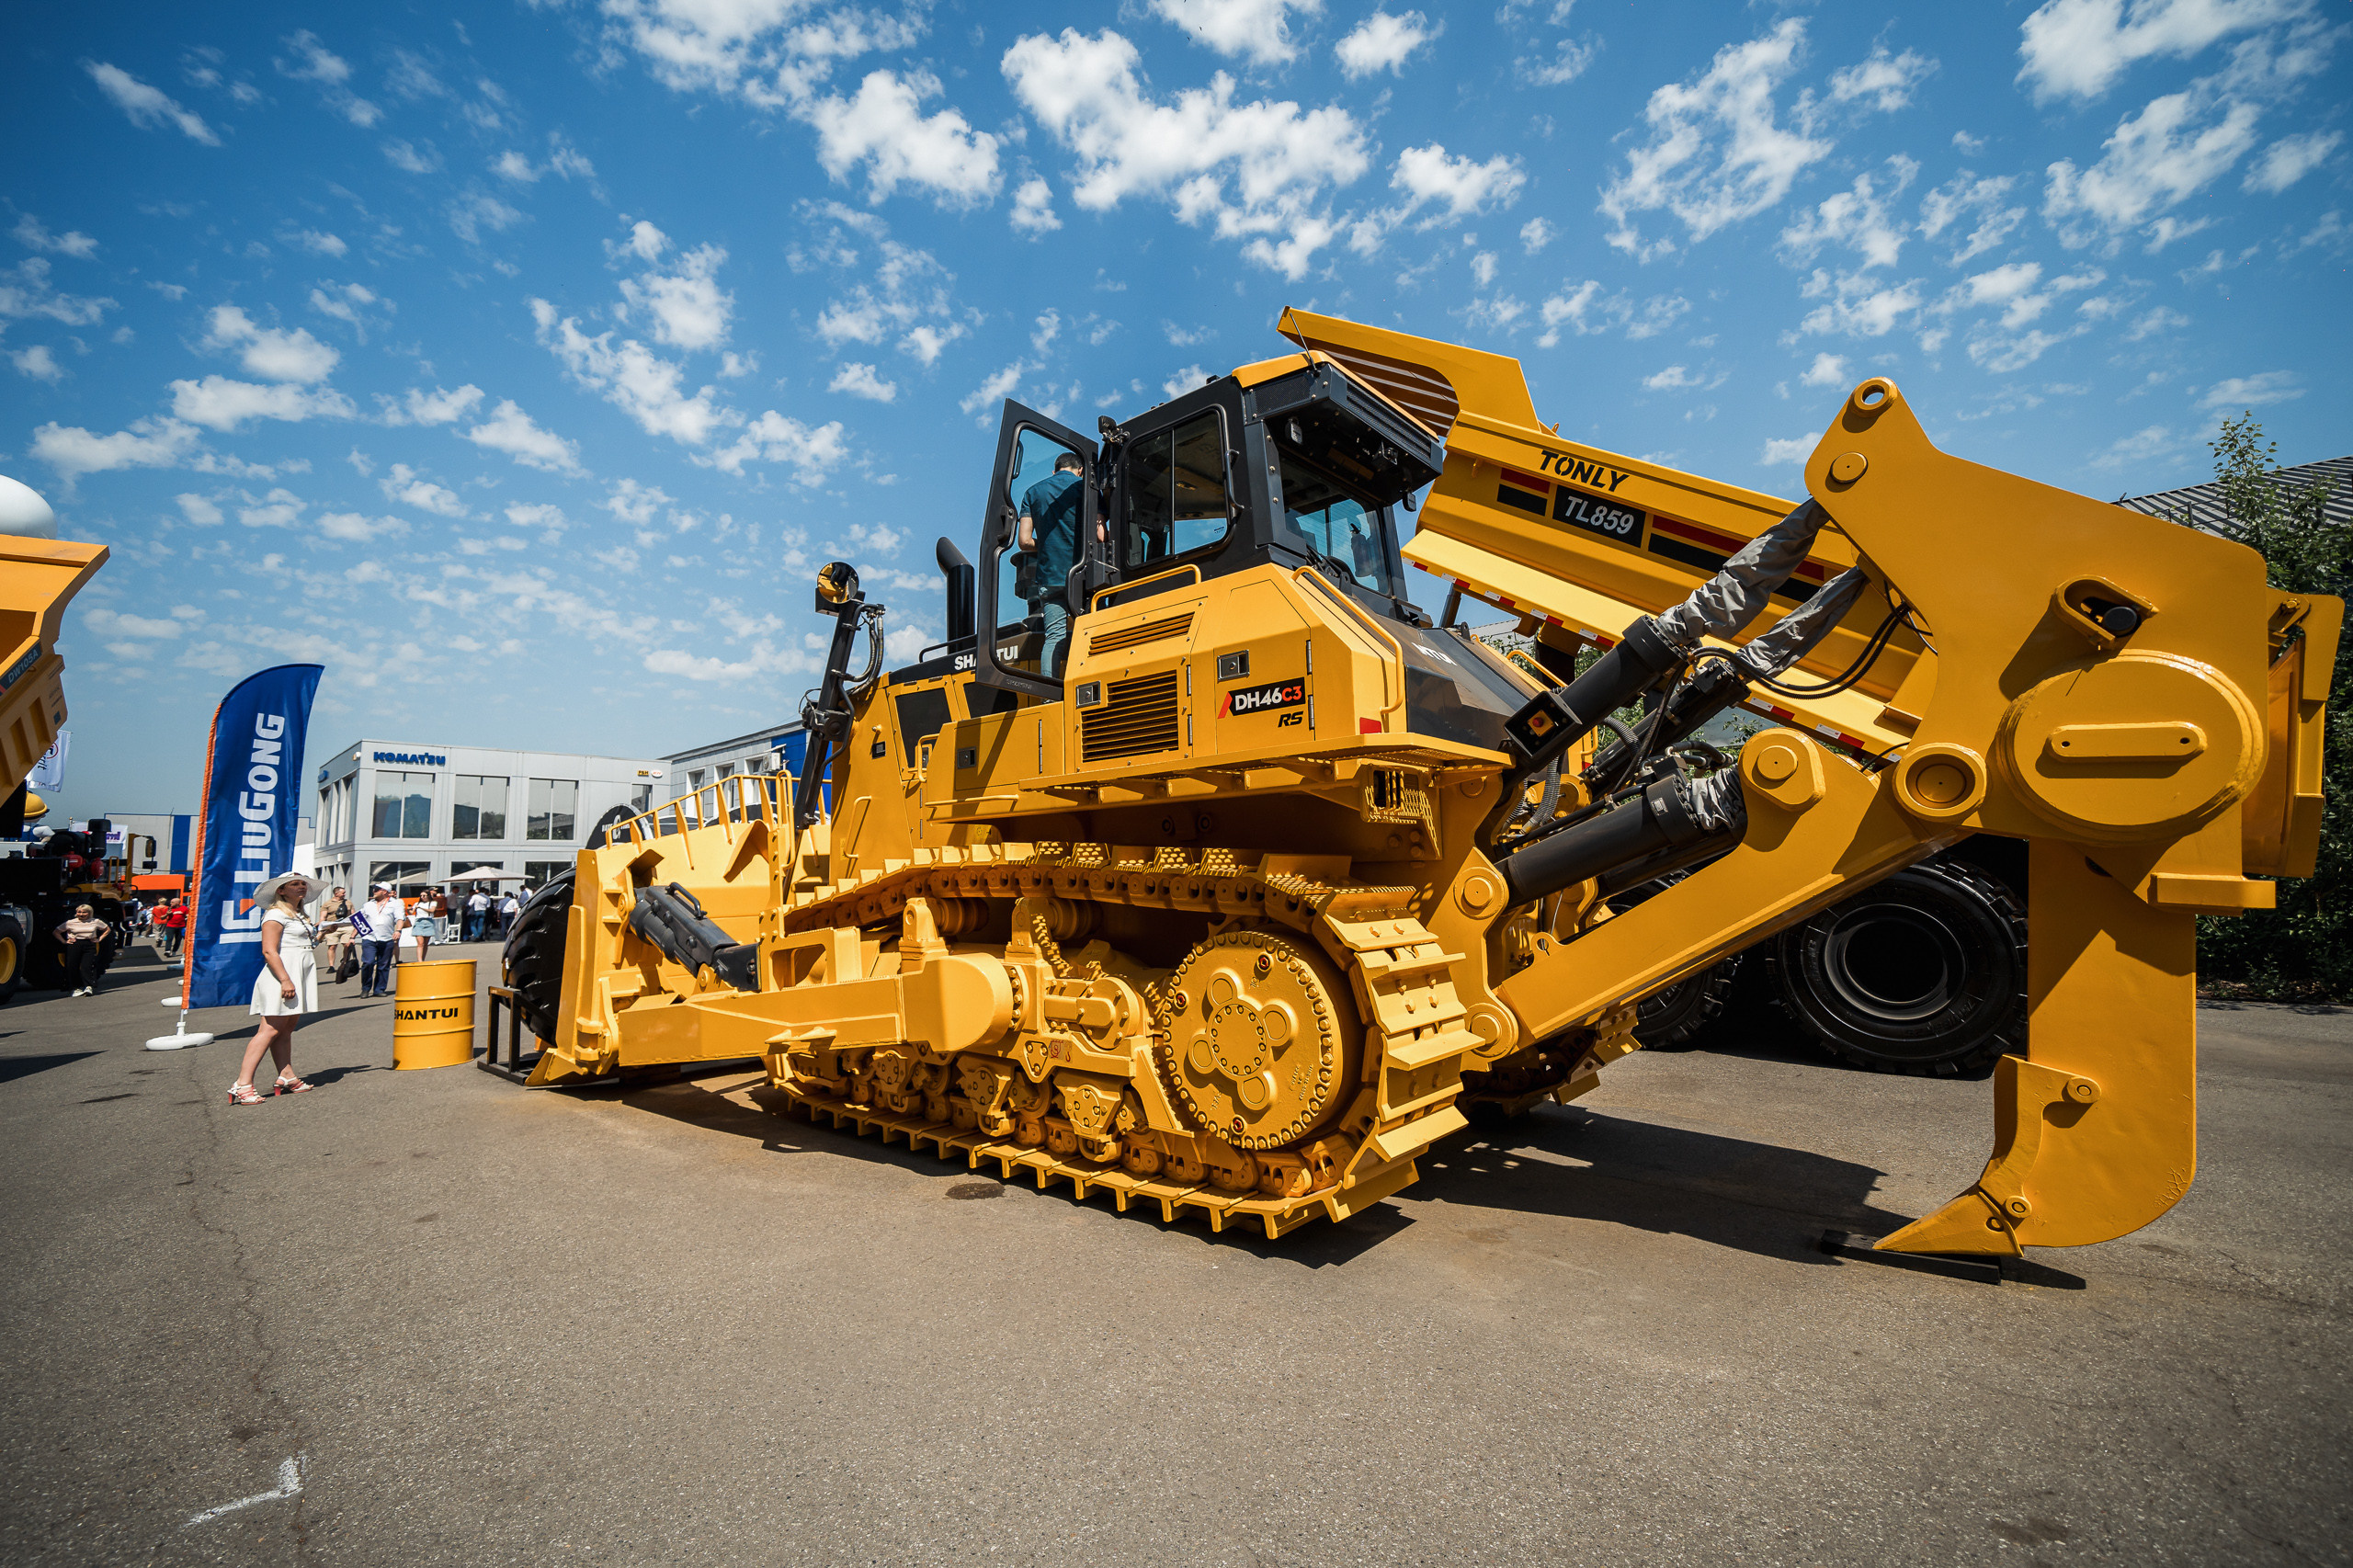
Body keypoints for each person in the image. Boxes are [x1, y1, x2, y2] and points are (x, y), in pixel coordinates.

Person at [230, 872, 319, 1105]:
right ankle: (242, 1084)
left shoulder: (298, 914)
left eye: (303, 884)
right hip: (282, 975)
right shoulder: (276, 913)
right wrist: (285, 980)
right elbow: (269, 950)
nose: (301, 887)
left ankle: (287, 1075)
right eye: (295, 884)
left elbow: (301, 943)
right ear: (281, 890)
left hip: (296, 973)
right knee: (269, 1029)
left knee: (287, 1027)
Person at [1017, 450, 1104, 678]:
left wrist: (1046, 543)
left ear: (1054, 471)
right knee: (1092, 632)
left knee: (1054, 636)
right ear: (1080, 470)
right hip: (1084, 577)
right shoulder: (1088, 489)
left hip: (1050, 577)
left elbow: (1024, 542)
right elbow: (1101, 536)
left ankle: (1049, 695)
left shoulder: (1032, 492)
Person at [352, 882, 405, 996]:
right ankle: (365, 988)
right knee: (368, 963)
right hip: (369, 938)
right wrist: (352, 937)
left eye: (376, 889)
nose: (373, 891)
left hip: (386, 938)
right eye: (374, 889)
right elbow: (359, 921)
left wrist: (398, 930)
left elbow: (400, 918)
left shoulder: (395, 904)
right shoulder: (368, 905)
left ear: (384, 891)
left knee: (383, 965)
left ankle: (379, 989)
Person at [52, 903, 110, 997]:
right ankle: (75, 988)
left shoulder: (95, 921)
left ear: (89, 913)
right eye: (79, 912)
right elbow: (56, 932)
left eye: (84, 912)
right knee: (72, 967)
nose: (81, 914)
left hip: (89, 944)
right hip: (74, 945)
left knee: (86, 966)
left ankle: (88, 986)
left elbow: (107, 929)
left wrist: (99, 939)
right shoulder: (70, 922)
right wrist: (64, 941)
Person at [317, 885, 355, 982]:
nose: (345, 894)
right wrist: (322, 928)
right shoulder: (327, 904)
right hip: (332, 927)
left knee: (347, 945)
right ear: (336, 893)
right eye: (343, 892)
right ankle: (331, 966)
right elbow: (322, 918)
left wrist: (355, 926)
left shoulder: (348, 902)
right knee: (332, 946)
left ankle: (345, 962)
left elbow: (353, 915)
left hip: (346, 926)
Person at [411, 886, 442, 962]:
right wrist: (409, 910)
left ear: (428, 896)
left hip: (428, 922)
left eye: (424, 895)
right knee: (420, 943)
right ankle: (419, 960)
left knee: (425, 944)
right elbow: (412, 912)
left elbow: (432, 910)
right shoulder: (417, 903)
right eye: (421, 896)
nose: (422, 897)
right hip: (419, 922)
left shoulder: (433, 902)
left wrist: (421, 907)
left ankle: (423, 959)